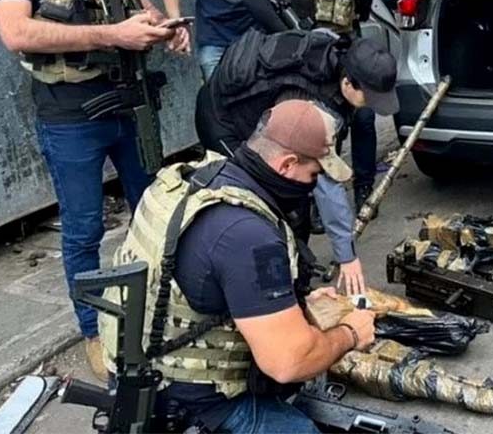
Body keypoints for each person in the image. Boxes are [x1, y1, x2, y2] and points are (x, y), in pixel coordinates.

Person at [0, 0, 189, 382]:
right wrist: (112, 34)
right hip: (69, 112)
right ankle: (94, 332)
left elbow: (134, 0)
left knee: (154, 212)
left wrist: (158, 24)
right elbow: (16, 32)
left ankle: (156, 316)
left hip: (131, 102)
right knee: (82, 229)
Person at [100, 99, 376, 433]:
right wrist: (349, 334)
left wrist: (294, 306)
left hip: (136, 372)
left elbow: (204, 280)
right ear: (288, 164)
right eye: (314, 173)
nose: (313, 184)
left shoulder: (194, 179)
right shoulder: (248, 236)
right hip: (187, 402)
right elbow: (288, 362)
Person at [194, 27, 400, 295]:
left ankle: (296, 276)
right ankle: (262, 291)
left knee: (296, 200)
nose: (372, 105)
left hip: (263, 114)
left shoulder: (338, 50)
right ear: (348, 83)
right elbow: (328, 186)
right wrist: (346, 256)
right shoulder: (311, 108)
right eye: (370, 98)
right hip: (224, 122)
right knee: (263, 204)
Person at [243, 0, 396, 210]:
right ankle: (311, 196)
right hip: (301, 48)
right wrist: (289, 37)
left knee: (363, 116)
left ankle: (365, 186)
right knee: (311, 122)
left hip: (344, 41)